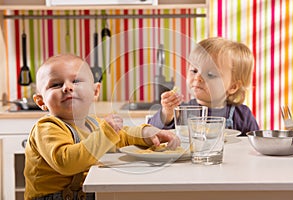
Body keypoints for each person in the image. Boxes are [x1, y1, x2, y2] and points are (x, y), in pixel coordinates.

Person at [24, 53, 180, 200]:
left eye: (76, 81)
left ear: (95, 91)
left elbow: (123, 136)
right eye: (56, 84)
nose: (68, 87)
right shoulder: (47, 127)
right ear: (41, 101)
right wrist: (106, 134)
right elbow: (66, 162)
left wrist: (148, 133)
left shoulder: (92, 123)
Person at [148, 37, 259, 136]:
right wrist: (166, 114)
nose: (198, 77)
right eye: (194, 70)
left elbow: (255, 145)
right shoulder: (180, 111)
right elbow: (151, 133)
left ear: (233, 86)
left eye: (210, 74)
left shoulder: (243, 116)